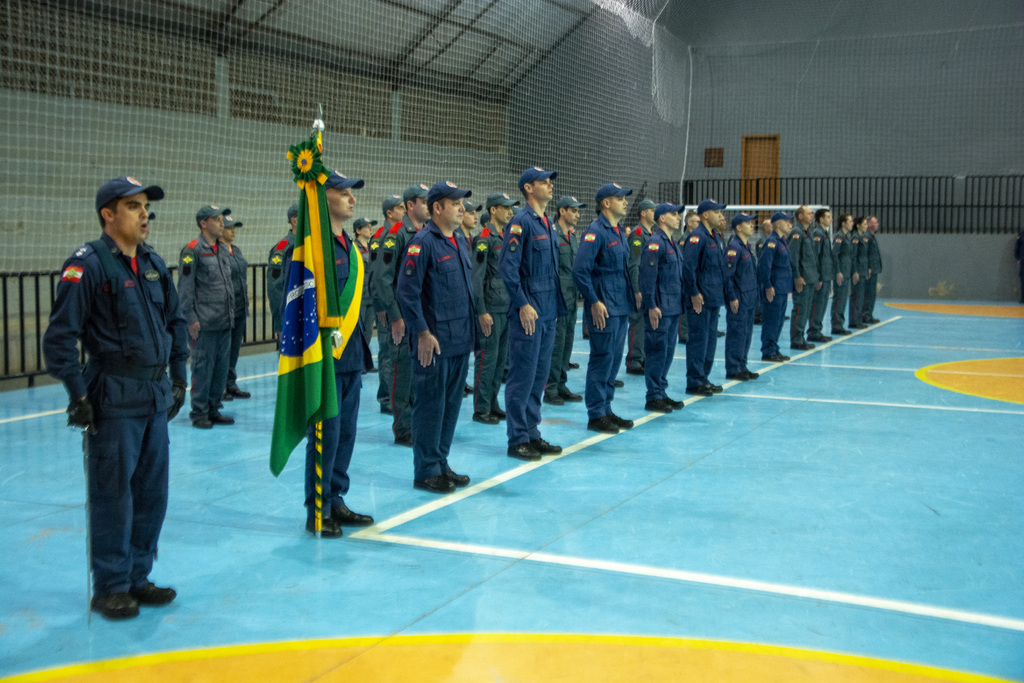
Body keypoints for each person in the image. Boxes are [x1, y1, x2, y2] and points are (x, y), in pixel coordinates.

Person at [43, 176, 189, 620]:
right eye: (133, 206)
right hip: (112, 395)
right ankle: (110, 585)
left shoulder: (153, 263)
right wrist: (77, 393)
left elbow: (175, 321)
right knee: (113, 496)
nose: (144, 214)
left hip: (153, 394)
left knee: (151, 493)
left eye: (146, 206)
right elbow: (59, 338)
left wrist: (179, 376)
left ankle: (138, 577)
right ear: (108, 214)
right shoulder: (87, 265)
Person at [283, 170, 374, 536]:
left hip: (350, 353)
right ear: (323, 199)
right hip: (324, 359)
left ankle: (336, 498)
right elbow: (297, 304)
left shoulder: (349, 246)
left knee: (346, 432)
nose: (352, 198)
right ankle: (317, 509)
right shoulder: (310, 247)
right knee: (325, 434)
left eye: (353, 192)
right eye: (344, 192)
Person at [396, 181, 476, 494]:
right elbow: (407, 291)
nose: (462, 208)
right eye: (455, 203)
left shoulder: (458, 240)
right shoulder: (422, 243)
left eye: (462, 203)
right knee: (430, 406)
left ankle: (441, 463)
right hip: (436, 341)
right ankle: (426, 470)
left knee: (451, 406)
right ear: (437, 208)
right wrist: (423, 332)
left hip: (459, 339)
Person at [498, 167, 567, 461]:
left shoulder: (548, 224)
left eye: (550, 182)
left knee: (539, 376)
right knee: (522, 376)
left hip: (548, 311)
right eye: (544, 182)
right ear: (528, 188)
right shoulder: (521, 222)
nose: (550, 186)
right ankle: (517, 438)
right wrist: (522, 303)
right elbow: (507, 268)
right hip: (530, 311)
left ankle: (532, 431)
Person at [572, 183, 636, 434]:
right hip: (604, 307)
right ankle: (596, 413)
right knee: (602, 358)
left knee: (614, 360)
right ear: (606, 203)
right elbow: (580, 271)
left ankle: (606, 409)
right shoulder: (595, 232)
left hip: (620, 306)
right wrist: (594, 301)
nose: (625, 202)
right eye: (620, 198)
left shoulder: (618, 231)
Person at [374, 184, 430, 447]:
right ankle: (403, 428)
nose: (429, 205)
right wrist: (394, 316)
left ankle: (417, 422)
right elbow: (383, 279)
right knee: (402, 372)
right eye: (424, 201)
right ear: (410, 205)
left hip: (422, 316)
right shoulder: (395, 234)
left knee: (421, 373)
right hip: (403, 317)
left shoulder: (427, 233)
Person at [179, 205, 235, 428]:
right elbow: (185, 289)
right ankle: (199, 411)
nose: (222, 223)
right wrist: (191, 318)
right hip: (204, 323)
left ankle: (213, 408)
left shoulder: (221, 249)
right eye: (217, 219)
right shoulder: (192, 250)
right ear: (203, 223)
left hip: (224, 321)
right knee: (202, 368)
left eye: (222, 219)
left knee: (220, 370)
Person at [471, 192, 518, 424]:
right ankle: (481, 408)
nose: (510, 211)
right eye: (505, 207)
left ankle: (493, 402)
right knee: (487, 359)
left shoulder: (504, 236)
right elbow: (476, 279)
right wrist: (481, 311)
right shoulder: (484, 238)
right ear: (493, 210)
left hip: (506, 307)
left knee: (500, 360)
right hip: (490, 307)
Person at [638, 203, 687, 412]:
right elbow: (648, 278)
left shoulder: (672, 243)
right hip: (660, 307)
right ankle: (653, 395)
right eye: (674, 214)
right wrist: (651, 305)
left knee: (667, 352)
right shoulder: (655, 244)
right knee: (657, 351)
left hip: (673, 306)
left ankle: (661, 391)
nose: (678, 218)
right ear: (662, 219)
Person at [681, 198, 727, 396]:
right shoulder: (697, 237)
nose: (720, 215)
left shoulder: (715, 236)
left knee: (710, 340)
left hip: (713, 296)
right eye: (717, 212)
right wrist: (694, 293)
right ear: (706, 214)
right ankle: (694, 380)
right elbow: (689, 268)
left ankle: (703, 377)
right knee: (699, 339)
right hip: (700, 297)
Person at [545, 195, 585, 406]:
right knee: (556, 345)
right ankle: (550, 388)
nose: (578, 215)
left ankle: (561, 384)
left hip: (571, 298)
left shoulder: (572, 237)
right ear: (562, 211)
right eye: (574, 210)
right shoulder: (553, 235)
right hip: (557, 299)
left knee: (567, 343)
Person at [370, 195, 405, 412]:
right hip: (385, 304)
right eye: (399, 208)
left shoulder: (400, 234)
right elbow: (375, 275)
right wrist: (380, 305)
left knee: (395, 351)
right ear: (389, 213)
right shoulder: (381, 236)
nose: (403, 211)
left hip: (395, 301)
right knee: (387, 351)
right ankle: (386, 398)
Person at [723, 212, 760, 381]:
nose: (752, 225)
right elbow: (727, 275)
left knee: (746, 333)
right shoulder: (734, 247)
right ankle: (733, 367)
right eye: (748, 223)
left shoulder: (745, 246)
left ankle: (742, 365)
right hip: (739, 299)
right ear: (738, 227)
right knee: (737, 333)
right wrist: (732, 297)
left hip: (749, 298)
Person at [220, 215, 251, 400]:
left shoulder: (236, 251)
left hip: (239, 307)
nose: (233, 231)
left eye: (234, 228)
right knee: (223, 350)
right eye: (229, 227)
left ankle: (230, 383)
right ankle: (220, 386)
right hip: (225, 309)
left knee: (233, 350)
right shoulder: (217, 252)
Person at [625, 198, 656, 375]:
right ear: (643, 213)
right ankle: (634, 360)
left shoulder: (650, 234)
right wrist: (636, 289)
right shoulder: (638, 233)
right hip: (640, 286)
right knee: (637, 321)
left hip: (647, 286)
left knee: (645, 323)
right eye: (652, 210)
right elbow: (634, 264)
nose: (655, 213)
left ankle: (641, 356)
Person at [759, 211, 794, 363]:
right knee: (772, 320)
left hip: (782, 287)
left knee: (779, 320)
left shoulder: (782, 241)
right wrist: (767, 285)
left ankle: (774, 348)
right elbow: (764, 266)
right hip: (774, 287)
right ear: (777, 224)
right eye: (786, 221)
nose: (789, 224)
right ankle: (768, 350)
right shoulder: (771, 242)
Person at [787, 205, 818, 351]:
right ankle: (796, 339)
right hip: (802, 278)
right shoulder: (796, 233)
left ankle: (801, 337)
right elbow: (794, 257)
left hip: (810, 277)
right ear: (800, 216)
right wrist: (797, 276)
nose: (812, 215)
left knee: (806, 309)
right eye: (808, 213)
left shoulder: (808, 232)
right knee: (799, 308)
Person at [267, 203, 296, 341]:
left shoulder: (312, 245)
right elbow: (275, 289)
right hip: (290, 317)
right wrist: (279, 323)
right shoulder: (282, 249)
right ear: (294, 221)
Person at [353, 216, 378, 368]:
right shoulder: (353, 248)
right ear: (358, 230)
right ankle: (356, 362)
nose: (370, 229)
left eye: (371, 226)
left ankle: (364, 361)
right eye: (367, 227)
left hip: (371, 296)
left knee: (368, 330)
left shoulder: (372, 247)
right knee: (358, 332)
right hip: (359, 297)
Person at [807, 208, 834, 343]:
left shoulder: (825, 233)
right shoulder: (818, 233)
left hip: (826, 275)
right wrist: (818, 277)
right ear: (821, 219)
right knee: (817, 304)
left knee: (822, 304)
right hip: (821, 276)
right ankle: (813, 331)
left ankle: (818, 329)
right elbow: (816, 256)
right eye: (828, 217)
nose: (831, 219)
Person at [830, 213, 854, 335]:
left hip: (846, 272)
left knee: (843, 299)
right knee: (839, 299)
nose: (852, 223)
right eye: (850, 221)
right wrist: (838, 271)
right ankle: (836, 325)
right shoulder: (839, 236)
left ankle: (840, 324)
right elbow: (835, 254)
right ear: (843, 223)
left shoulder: (847, 237)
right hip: (841, 273)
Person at [848, 216, 869, 329]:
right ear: (858, 225)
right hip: (858, 271)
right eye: (864, 224)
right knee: (856, 296)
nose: (866, 226)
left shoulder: (863, 237)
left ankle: (858, 319)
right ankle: (854, 321)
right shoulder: (855, 238)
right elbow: (853, 256)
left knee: (860, 297)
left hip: (862, 270)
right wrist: (854, 271)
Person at [753, 218, 773, 326]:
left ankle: (764, 313)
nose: (772, 227)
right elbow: (763, 258)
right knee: (761, 293)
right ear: (765, 228)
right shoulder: (762, 241)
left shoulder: (769, 240)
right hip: (762, 271)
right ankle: (759, 315)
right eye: (770, 225)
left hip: (769, 271)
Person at [862, 215, 883, 324]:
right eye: (875, 222)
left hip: (874, 269)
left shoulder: (872, 236)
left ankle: (869, 314)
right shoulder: (867, 236)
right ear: (869, 224)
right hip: (870, 270)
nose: (877, 224)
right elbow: (864, 253)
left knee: (872, 293)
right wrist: (868, 267)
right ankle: (865, 314)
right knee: (868, 293)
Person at [1016, 227, 1024, 303]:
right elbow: (1017, 247)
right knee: (1023, 280)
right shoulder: (1021, 235)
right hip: (1023, 260)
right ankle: (1023, 298)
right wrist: (1018, 258)